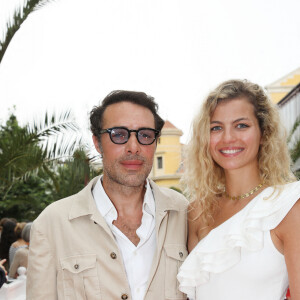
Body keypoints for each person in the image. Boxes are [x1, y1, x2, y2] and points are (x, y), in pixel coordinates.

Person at [27, 90, 188, 299]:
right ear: (97, 143)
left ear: (155, 143)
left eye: (145, 135)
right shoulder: (52, 224)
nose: (133, 147)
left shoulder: (183, 213)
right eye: (119, 134)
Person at [177, 79, 300, 300]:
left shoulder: (289, 206)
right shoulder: (198, 211)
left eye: (241, 125)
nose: (228, 138)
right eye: (216, 128)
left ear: (264, 133)